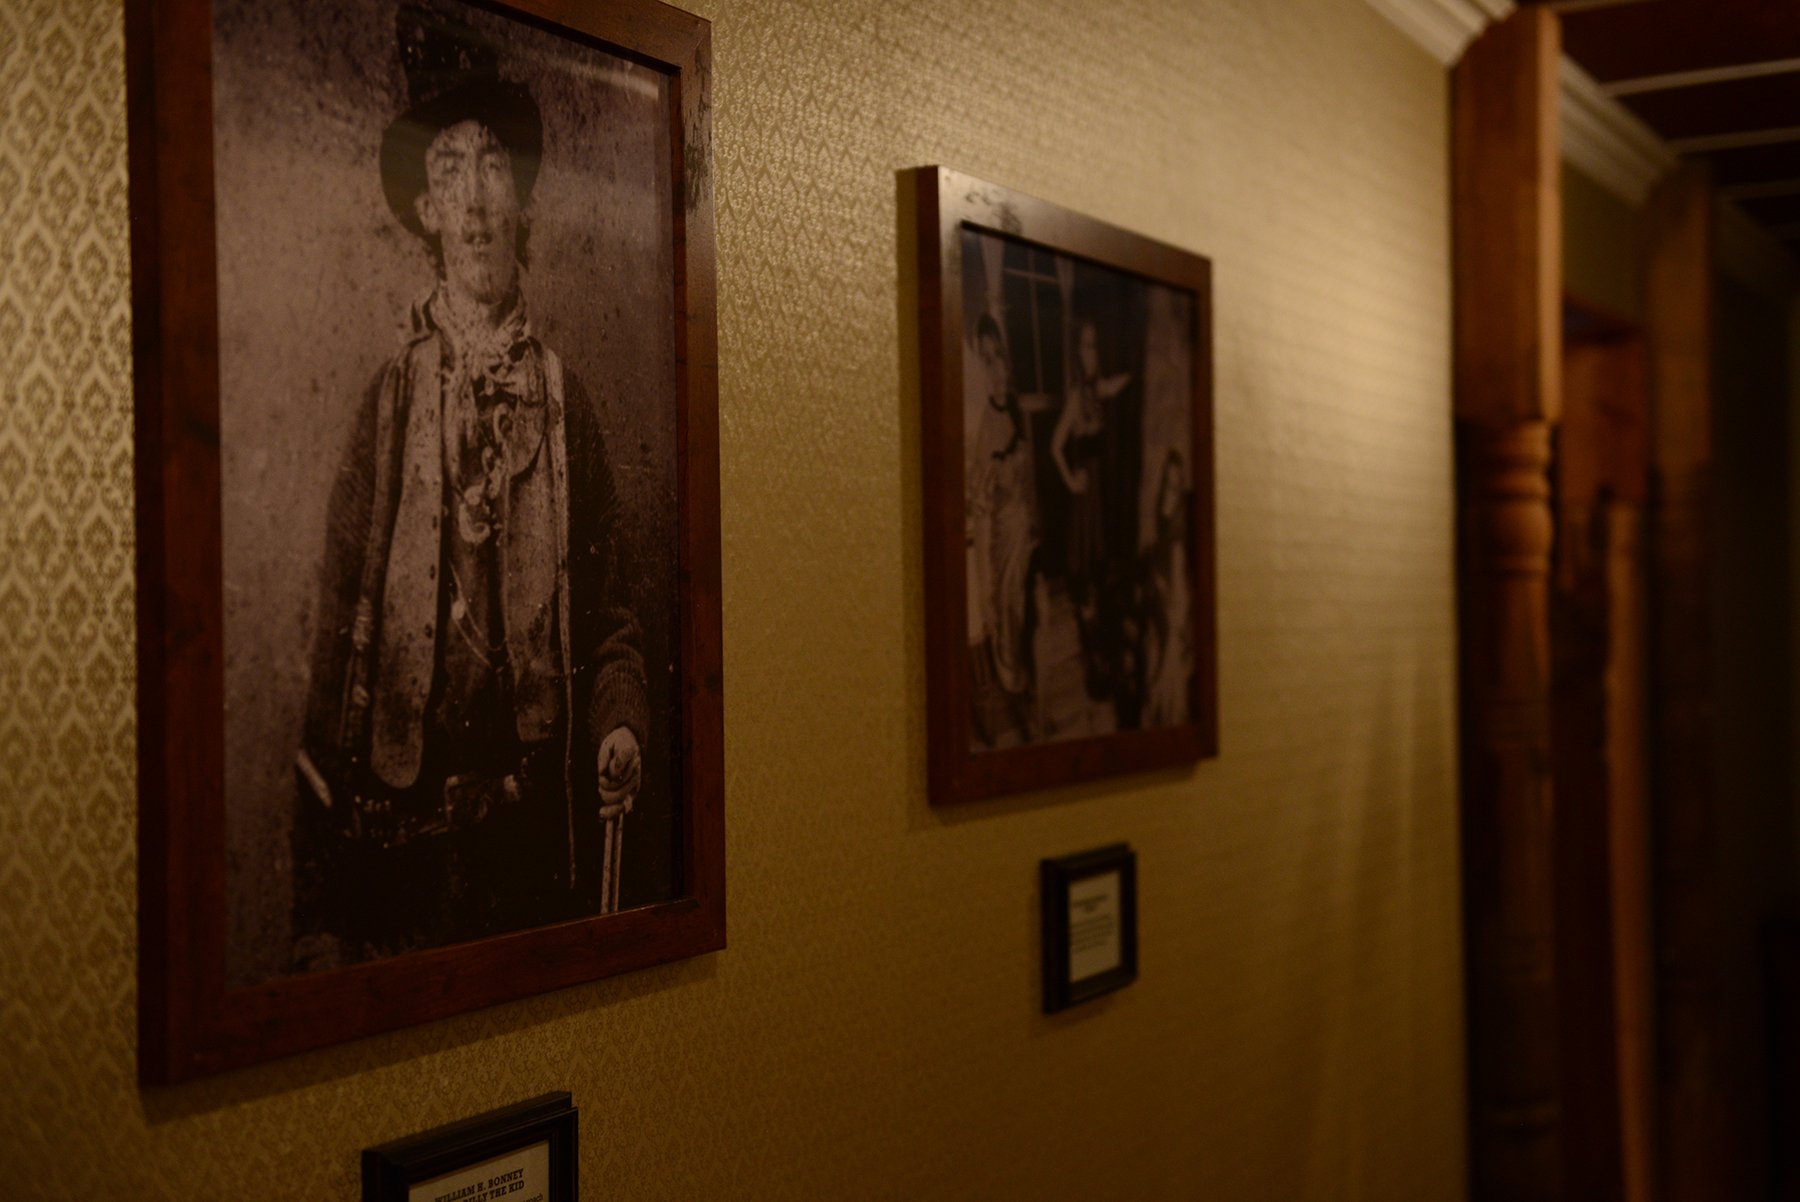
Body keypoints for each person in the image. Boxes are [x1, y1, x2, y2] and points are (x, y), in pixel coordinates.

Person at [291, 3, 647, 969]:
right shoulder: (386, 409)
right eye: (452, 171)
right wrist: (319, 907)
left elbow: (611, 614)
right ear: (427, 209)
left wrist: (619, 721)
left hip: (531, 854)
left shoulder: (569, 407)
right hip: (400, 861)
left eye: (495, 165)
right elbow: (337, 653)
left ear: (522, 200)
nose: (480, 199)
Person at [965, 313, 1038, 746]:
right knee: (1008, 621)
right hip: (1001, 547)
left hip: (1024, 539)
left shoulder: (1015, 414)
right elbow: (981, 513)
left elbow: (1026, 484)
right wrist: (986, 587)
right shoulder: (986, 434)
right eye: (986, 360)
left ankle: (1027, 692)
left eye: (1000, 359)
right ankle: (1014, 705)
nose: (996, 370)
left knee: (1027, 619)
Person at [1049, 317, 1132, 692]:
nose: (1090, 353)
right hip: (1086, 502)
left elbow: (1116, 385)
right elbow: (1055, 446)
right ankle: (1091, 666)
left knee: (1102, 581)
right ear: (1075, 352)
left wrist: (1136, 375)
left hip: (1102, 495)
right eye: (1084, 346)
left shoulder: (1097, 390)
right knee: (1086, 582)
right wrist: (1070, 481)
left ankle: (1103, 663)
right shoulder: (1074, 396)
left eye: (1094, 345)